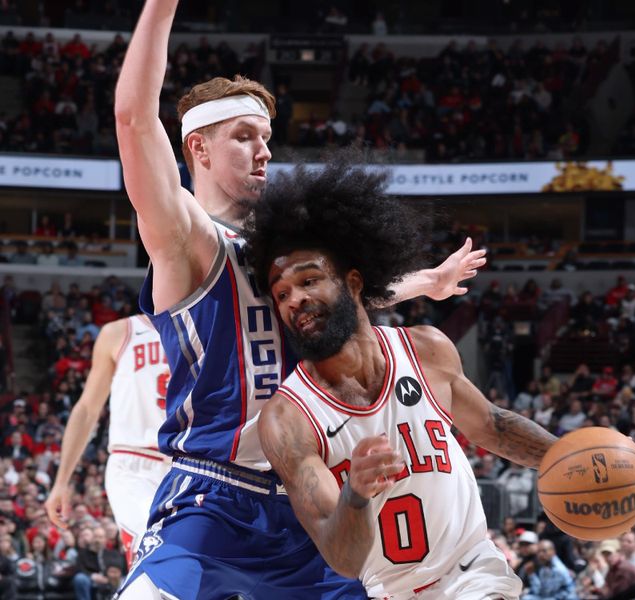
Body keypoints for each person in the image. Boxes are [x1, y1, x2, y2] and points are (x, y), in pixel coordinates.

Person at [113, 2, 484, 597]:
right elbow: (133, 120)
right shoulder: (186, 237)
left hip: (310, 495)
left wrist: (427, 283)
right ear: (198, 149)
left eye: (265, 137)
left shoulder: (288, 251)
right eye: (243, 137)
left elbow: (349, 300)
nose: (263, 151)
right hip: (213, 494)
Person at [244, 159, 555, 598]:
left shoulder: (426, 348)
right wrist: (354, 494)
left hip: (474, 572)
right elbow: (343, 559)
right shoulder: (286, 419)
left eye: (309, 280)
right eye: (282, 294)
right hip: (391, 591)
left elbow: (494, 427)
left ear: (354, 283)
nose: (296, 299)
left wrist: (570, 457)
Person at [45, 316, 171, 565]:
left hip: (192, 464)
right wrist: (61, 482)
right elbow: (87, 410)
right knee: (154, 553)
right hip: (134, 463)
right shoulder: (120, 332)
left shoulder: (204, 325)